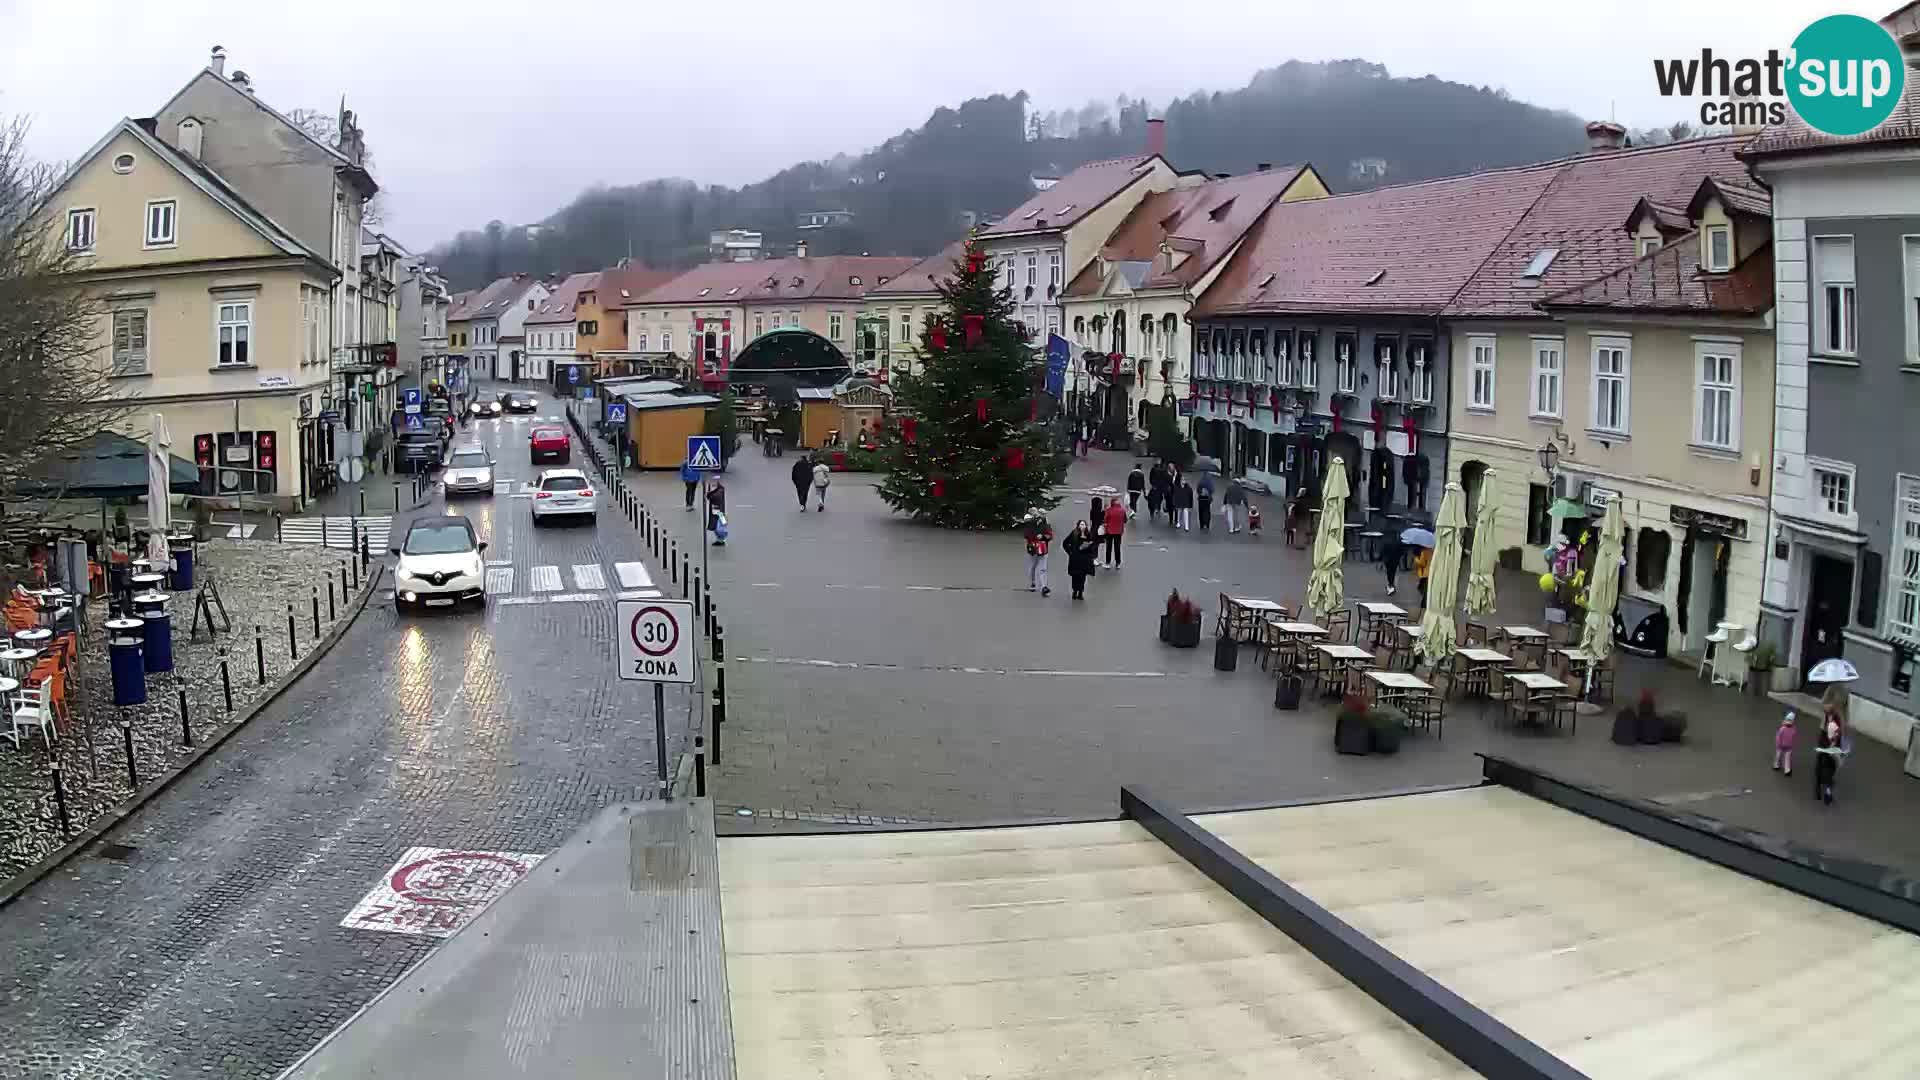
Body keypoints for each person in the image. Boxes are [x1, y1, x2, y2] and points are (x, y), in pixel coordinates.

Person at [1062, 520, 1098, 600]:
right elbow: (1065, 543)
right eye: (1081, 524)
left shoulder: (1089, 534)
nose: (1082, 526)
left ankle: (1081, 592)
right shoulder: (1074, 534)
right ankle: (1075, 591)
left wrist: (1089, 547)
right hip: (1075, 559)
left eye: (1084, 524)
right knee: (1075, 576)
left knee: (1082, 577)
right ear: (1078, 525)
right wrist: (1070, 552)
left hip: (1085, 560)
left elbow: (1094, 545)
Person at [1022, 513, 1053, 596]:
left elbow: (1050, 536)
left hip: (1043, 550)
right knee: (1033, 567)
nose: (1039, 519)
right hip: (1033, 549)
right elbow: (1026, 535)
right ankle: (1033, 582)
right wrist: (1035, 536)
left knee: (1043, 568)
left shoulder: (1046, 526)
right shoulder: (1029, 525)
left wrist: (1043, 536)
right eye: (1037, 518)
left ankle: (1044, 587)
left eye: (1040, 518)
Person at [1102, 498, 1127, 568]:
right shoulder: (1122, 510)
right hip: (1119, 531)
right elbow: (1125, 520)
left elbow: (1105, 520)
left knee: (1108, 547)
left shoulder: (1109, 510)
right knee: (1117, 547)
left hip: (1109, 531)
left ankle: (1108, 563)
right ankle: (1118, 563)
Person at [1772, 711, 1797, 776]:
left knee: (1782, 756)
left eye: (1790, 721)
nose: (1789, 722)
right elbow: (1793, 738)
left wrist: (1778, 744)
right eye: (1788, 720)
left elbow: (1778, 737)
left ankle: (1780, 767)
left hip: (1784, 746)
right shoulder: (1790, 729)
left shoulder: (1784, 729)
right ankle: (1784, 768)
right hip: (1785, 746)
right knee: (1783, 756)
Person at [707, 478, 727, 545]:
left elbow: (713, 497)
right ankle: (720, 539)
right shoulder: (718, 489)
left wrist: (709, 494)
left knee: (719, 525)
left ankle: (721, 539)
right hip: (716, 510)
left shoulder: (719, 490)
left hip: (718, 511)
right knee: (718, 525)